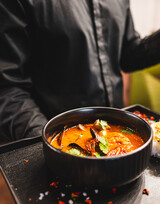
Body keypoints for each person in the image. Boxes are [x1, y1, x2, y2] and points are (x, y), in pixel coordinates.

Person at [0, 0, 160, 141]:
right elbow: (9, 89)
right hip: (57, 147)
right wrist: (46, 143)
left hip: (118, 140)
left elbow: (127, 56)